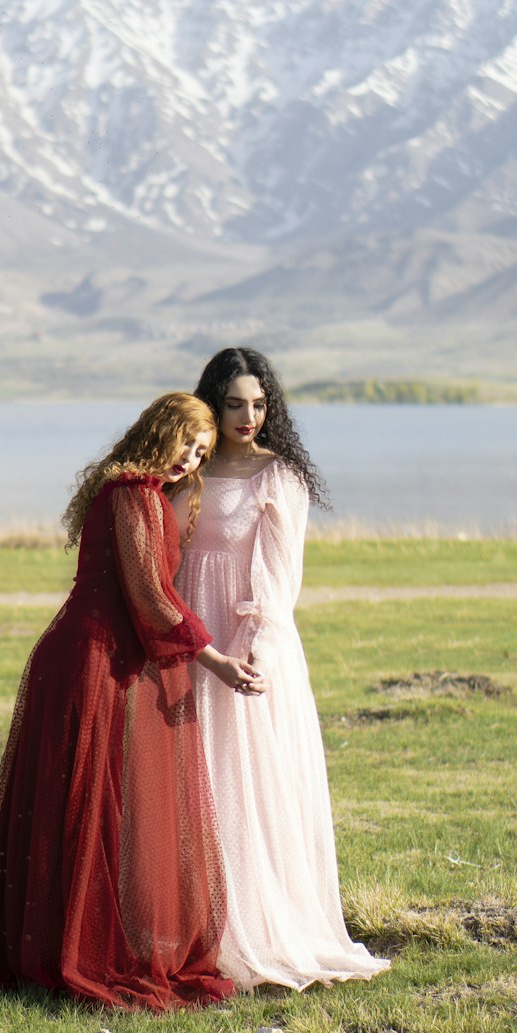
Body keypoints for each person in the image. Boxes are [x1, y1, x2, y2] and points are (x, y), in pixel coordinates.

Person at [0, 393, 262, 1012]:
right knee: (87, 807)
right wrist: (218, 661)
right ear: (161, 432)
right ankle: (76, 952)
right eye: (187, 444)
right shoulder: (133, 494)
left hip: (96, 657)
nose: (191, 460)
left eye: (202, 454)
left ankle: (65, 944)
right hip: (93, 662)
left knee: (87, 806)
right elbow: (150, 598)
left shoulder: (134, 489)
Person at [170, 349, 389, 990]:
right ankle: (188, 926)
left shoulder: (279, 477)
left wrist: (247, 656)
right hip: (190, 640)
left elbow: (276, 580)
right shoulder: (189, 468)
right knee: (190, 784)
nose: (247, 416)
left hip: (246, 648)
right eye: (234, 403)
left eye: (259, 404)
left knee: (245, 789)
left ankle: (253, 929)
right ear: (212, 403)